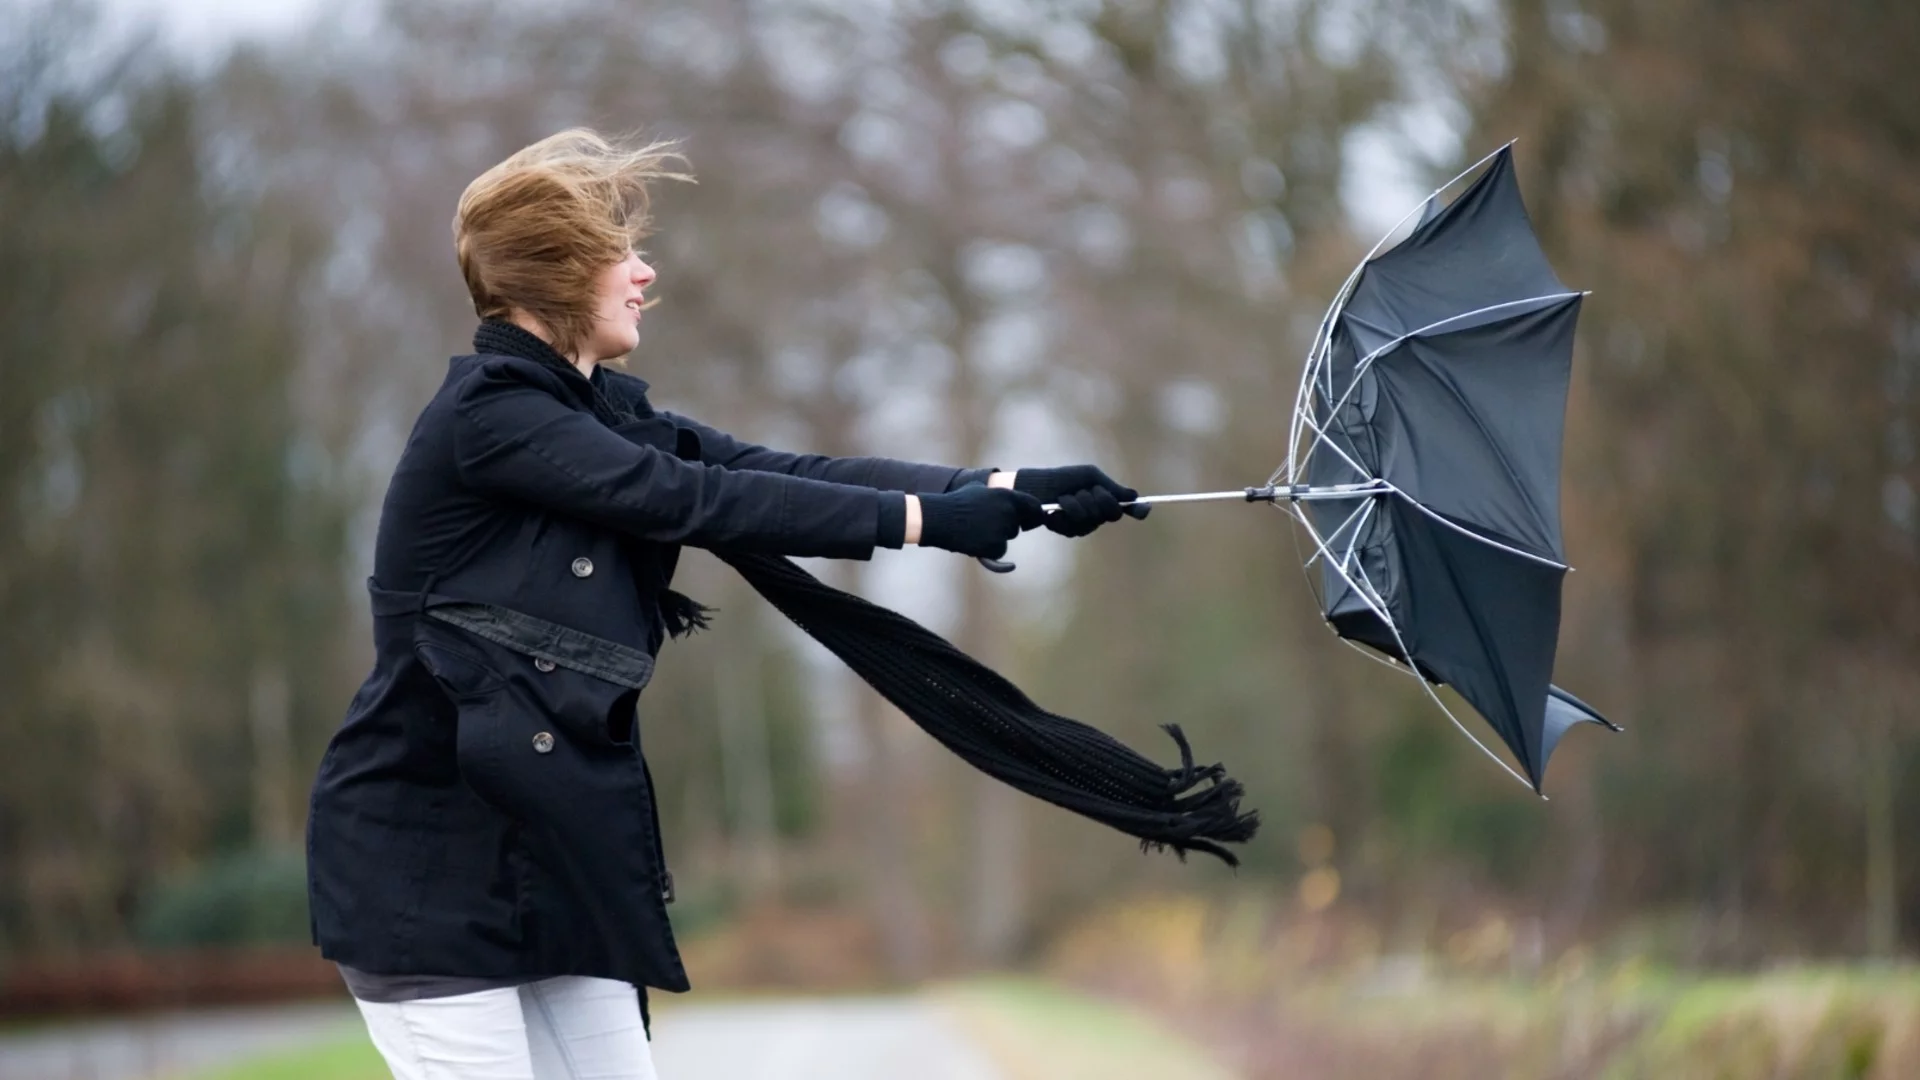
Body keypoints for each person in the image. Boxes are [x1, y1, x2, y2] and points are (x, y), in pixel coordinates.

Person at [304, 128, 1146, 1078]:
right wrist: (929, 523)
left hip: (551, 856)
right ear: (558, 272)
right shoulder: (490, 418)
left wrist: (1003, 484)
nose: (644, 273)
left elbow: (768, 469)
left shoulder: (597, 409)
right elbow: (694, 501)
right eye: (620, 254)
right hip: (428, 869)